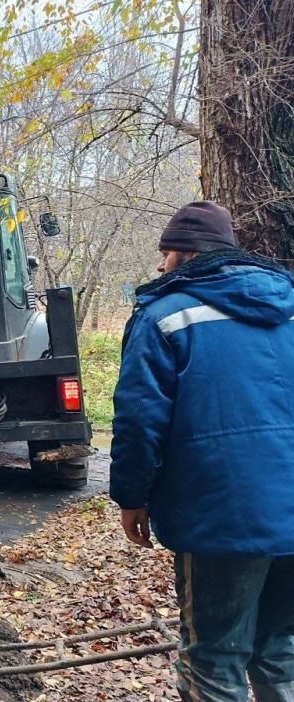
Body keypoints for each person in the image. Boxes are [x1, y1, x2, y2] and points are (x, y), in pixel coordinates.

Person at [110, 200, 294, 702]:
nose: (159, 265)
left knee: (213, 661)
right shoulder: (290, 305)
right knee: (279, 652)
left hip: (222, 516)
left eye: (165, 253)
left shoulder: (165, 317)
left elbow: (138, 419)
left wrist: (131, 496)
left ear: (185, 253)